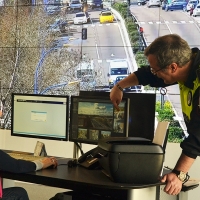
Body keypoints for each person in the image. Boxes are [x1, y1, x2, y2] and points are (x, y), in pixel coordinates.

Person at [110, 34, 200, 196]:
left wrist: (179, 174)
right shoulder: (188, 65)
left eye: (155, 69)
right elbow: (148, 75)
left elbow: (199, 135)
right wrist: (119, 87)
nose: (154, 73)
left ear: (173, 67)